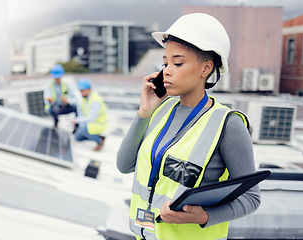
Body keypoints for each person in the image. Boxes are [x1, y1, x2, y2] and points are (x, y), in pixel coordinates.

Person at [116, 13, 260, 240]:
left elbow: (251, 198)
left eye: (178, 63)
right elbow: (124, 165)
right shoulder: (160, 110)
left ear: (206, 68)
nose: (167, 71)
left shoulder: (228, 125)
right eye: (165, 63)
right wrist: (144, 113)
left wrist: (203, 217)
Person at [71, 78, 108, 151]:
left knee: (83, 130)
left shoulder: (95, 101)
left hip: (99, 124)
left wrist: (77, 120)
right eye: (80, 91)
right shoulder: (86, 98)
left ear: (89, 89)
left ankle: (99, 141)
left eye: (82, 91)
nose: (81, 93)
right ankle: (97, 136)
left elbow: (91, 118)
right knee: (77, 138)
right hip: (91, 123)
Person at [43, 64, 77, 128]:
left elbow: (75, 99)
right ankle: (56, 123)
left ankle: (76, 126)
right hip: (54, 107)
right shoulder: (49, 85)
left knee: (76, 107)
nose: (57, 79)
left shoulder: (66, 84)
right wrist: (51, 101)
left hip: (64, 106)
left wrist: (67, 101)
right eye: (56, 78)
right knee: (53, 109)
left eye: (58, 77)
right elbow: (46, 98)